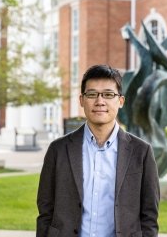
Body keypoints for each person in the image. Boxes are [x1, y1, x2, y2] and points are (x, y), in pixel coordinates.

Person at [36, 64, 160, 237]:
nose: (100, 101)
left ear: (121, 101)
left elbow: (149, 216)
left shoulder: (141, 152)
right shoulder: (58, 149)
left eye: (108, 94)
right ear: (81, 100)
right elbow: (45, 210)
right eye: (92, 94)